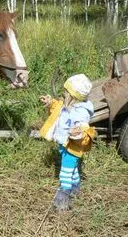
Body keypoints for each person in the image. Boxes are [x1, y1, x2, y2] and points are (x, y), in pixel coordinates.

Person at [39, 73, 96, 211]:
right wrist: (50, 103)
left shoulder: (80, 112)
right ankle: (75, 190)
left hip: (72, 147)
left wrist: (79, 132)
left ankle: (62, 200)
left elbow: (84, 128)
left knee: (65, 173)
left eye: (66, 92)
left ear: (73, 96)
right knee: (73, 170)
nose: (63, 94)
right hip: (64, 144)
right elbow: (58, 108)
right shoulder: (68, 105)